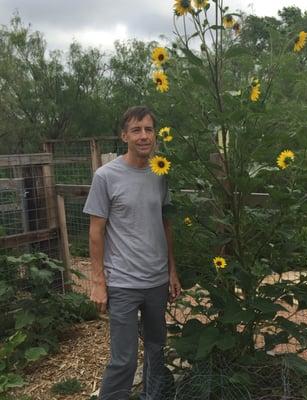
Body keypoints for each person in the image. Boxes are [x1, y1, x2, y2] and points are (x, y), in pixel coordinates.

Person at [83, 106, 181, 400]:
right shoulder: (106, 177)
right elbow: (96, 231)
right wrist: (98, 281)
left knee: (156, 351)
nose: (143, 136)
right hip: (123, 283)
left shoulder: (160, 172)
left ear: (155, 135)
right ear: (124, 135)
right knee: (123, 359)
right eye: (136, 130)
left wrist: (171, 271)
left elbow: (165, 224)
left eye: (148, 129)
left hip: (156, 282)